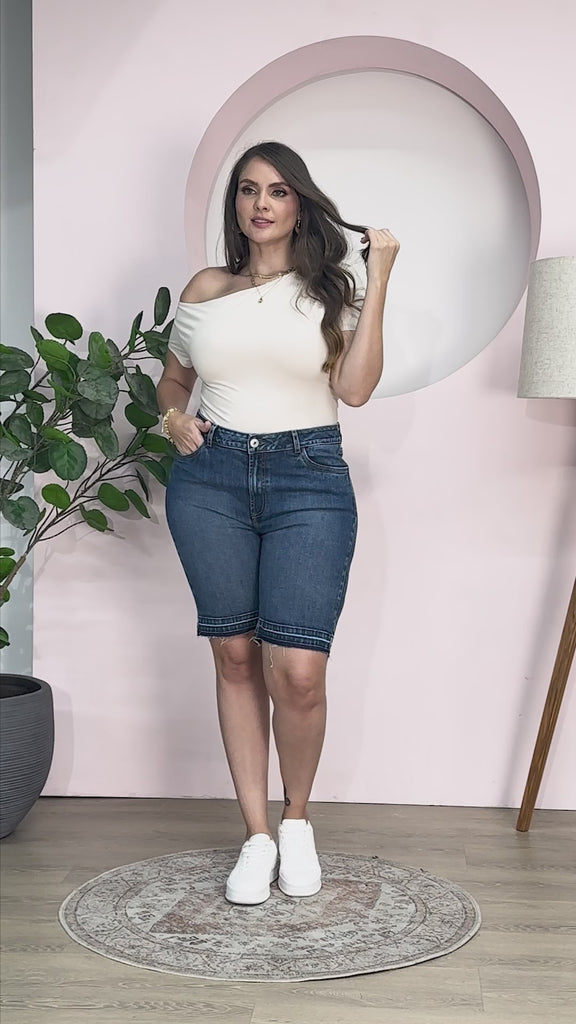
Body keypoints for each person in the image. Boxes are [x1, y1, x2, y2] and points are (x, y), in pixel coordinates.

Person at [157, 141, 399, 906]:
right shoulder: (207, 287)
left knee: (297, 671)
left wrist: (381, 278)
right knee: (234, 655)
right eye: (248, 190)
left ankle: (297, 821)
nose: (261, 204)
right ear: (235, 204)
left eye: (278, 191)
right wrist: (171, 419)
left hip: (309, 477)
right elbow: (173, 379)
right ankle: (257, 836)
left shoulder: (330, 291)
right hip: (212, 478)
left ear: (300, 204)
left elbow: (354, 390)